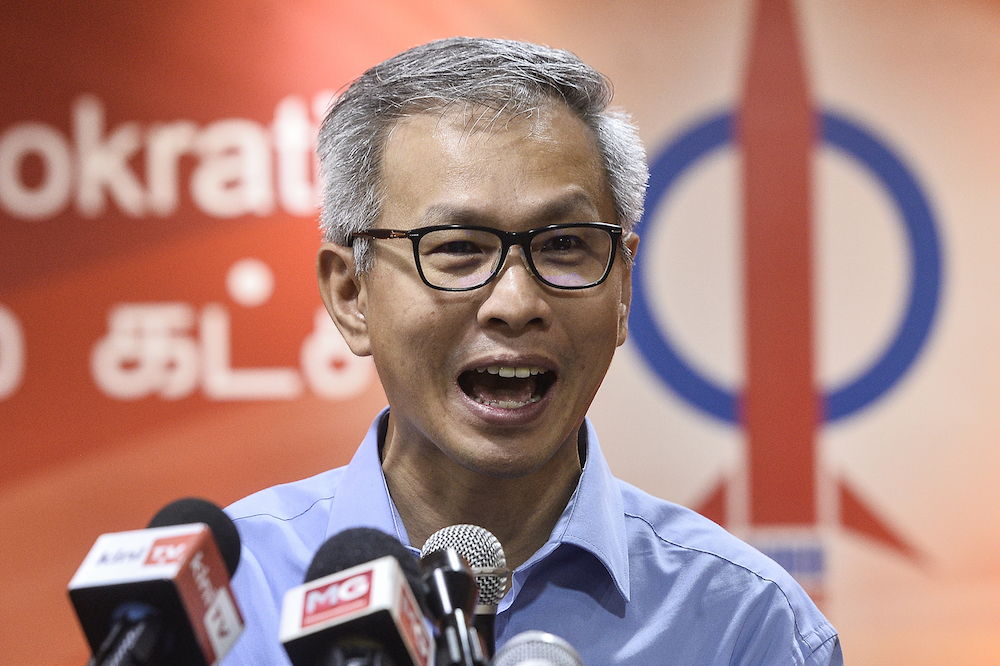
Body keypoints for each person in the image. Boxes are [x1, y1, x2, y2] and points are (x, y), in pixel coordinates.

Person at [223, 36, 843, 664]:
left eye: (565, 245)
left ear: (623, 286)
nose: (516, 303)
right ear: (351, 293)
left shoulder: (746, 622)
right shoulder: (228, 599)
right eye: (458, 247)